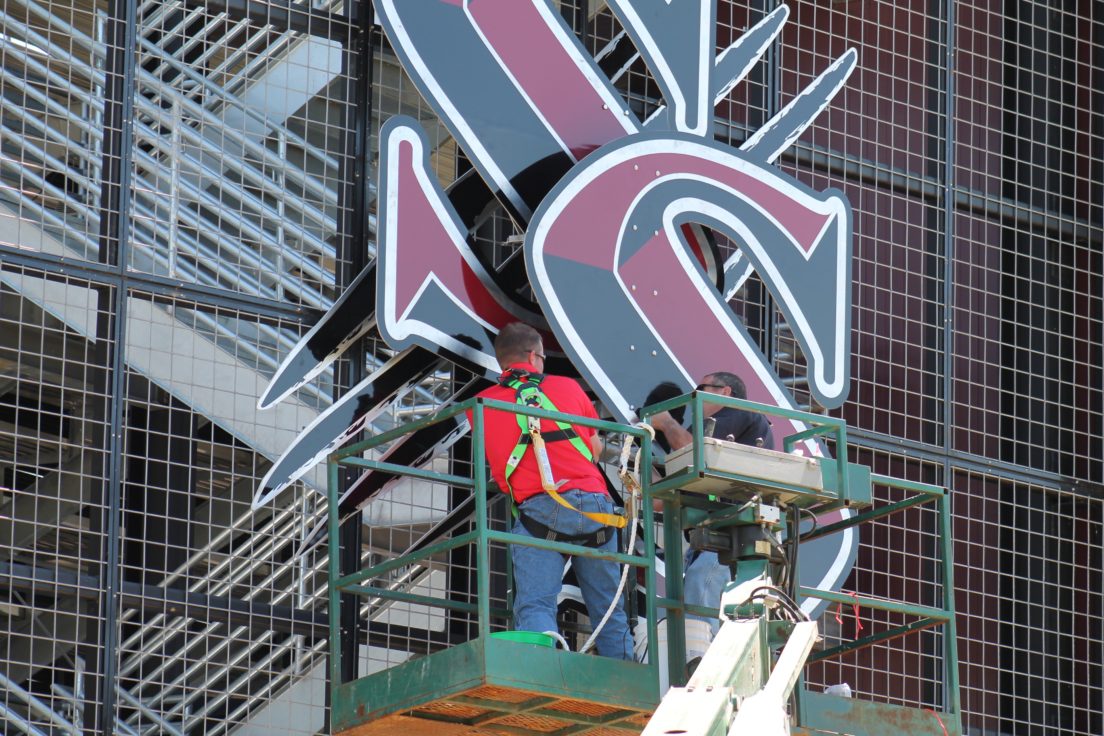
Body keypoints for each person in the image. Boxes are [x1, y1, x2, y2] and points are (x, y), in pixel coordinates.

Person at [470, 322, 633, 659]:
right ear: (534, 355)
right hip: (594, 508)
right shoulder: (569, 388)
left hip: (538, 512)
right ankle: (626, 680)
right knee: (609, 612)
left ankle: (539, 670)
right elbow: (595, 449)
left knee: (534, 604)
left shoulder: (481, 405)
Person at [648, 371, 773, 640]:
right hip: (711, 540)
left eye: (701, 388)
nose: (696, 396)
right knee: (696, 599)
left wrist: (667, 422)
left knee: (700, 590)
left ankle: (702, 665)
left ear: (725, 392)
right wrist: (641, 452)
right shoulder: (699, 433)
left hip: (733, 535)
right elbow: (660, 499)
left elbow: (699, 455)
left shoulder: (740, 413)